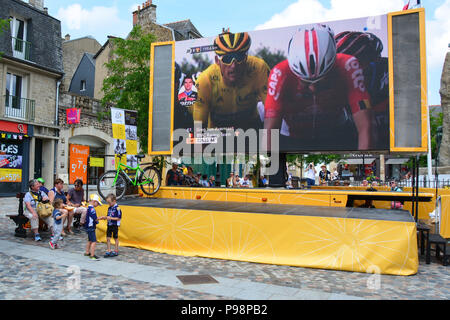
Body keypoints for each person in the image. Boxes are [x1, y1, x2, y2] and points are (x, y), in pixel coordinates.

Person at [264, 24, 374, 151]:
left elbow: (366, 126)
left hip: (336, 134)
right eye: (306, 82)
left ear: (334, 63)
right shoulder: (280, 73)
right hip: (293, 136)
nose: (313, 89)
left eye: (321, 82)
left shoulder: (348, 65)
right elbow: (270, 132)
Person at [193, 30, 270, 130]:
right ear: (217, 61)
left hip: (250, 126)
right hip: (218, 129)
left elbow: (272, 110)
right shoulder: (205, 80)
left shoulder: (258, 68)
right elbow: (199, 128)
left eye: (239, 58)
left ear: (246, 58)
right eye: (227, 59)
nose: (233, 66)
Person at [84, 194, 102, 260]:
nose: (97, 205)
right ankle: (92, 255)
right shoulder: (92, 209)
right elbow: (94, 218)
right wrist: (99, 219)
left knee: (90, 240)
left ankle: (87, 252)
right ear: (94, 201)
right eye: (97, 203)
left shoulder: (89, 207)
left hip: (88, 226)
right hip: (91, 227)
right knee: (94, 241)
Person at [103, 194, 122, 258]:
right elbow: (108, 216)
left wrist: (110, 218)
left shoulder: (118, 208)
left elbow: (119, 218)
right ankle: (109, 250)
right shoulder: (109, 208)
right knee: (108, 237)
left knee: (115, 238)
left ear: (114, 201)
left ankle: (116, 250)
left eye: (109, 202)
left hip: (114, 225)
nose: (108, 204)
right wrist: (105, 217)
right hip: (109, 224)